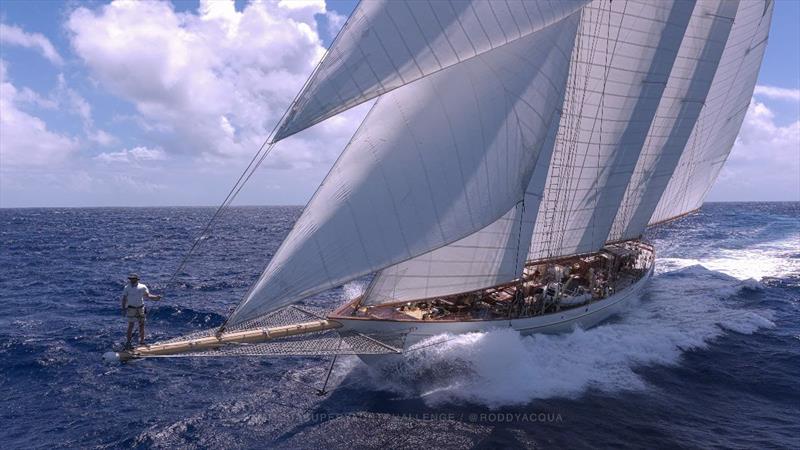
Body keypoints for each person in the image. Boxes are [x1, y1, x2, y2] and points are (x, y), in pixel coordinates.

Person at [121, 273, 161, 348]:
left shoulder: (142, 287)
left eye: (133, 279)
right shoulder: (127, 287)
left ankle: (142, 342)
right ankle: (128, 342)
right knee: (131, 325)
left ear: (137, 279)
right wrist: (123, 309)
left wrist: (156, 297)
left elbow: (148, 296)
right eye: (130, 279)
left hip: (141, 308)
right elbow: (124, 299)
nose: (131, 280)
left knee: (141, 325)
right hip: (131, 308)